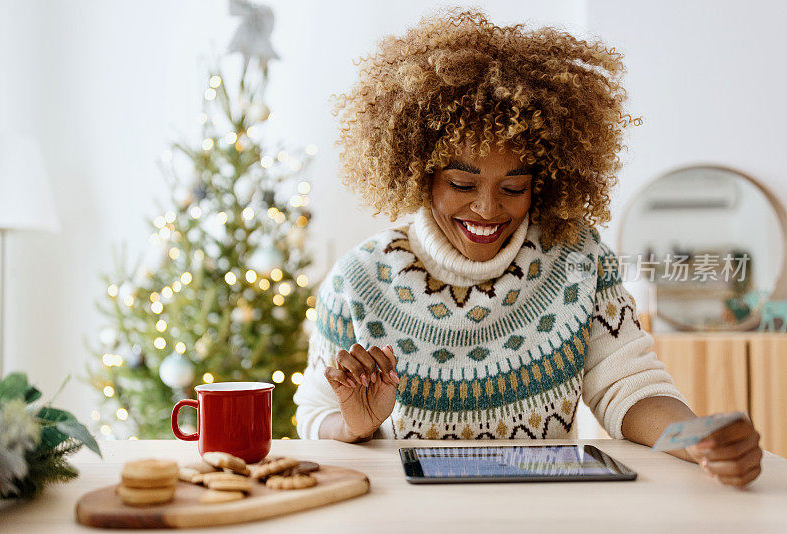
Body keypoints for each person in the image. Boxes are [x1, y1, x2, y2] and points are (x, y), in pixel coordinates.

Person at [294, 7, 762, 488]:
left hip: (546, 509)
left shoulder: (577, 257)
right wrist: (356, 423)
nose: (488, 209)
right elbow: (315, 416)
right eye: (461, 183)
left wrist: (697, 436)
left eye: (514, 187)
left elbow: (629, 385)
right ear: (420, 173)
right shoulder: (359, 280)